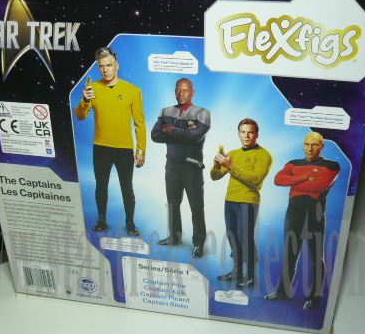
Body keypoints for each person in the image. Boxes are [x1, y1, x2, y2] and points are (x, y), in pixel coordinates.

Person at [264, 132, 340, 310]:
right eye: (306, 144)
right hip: (294, 212)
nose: (309, 148)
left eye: (314, 145)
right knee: (289, 254)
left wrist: (293, 181)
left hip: (315, 213)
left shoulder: (331, 165)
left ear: (322, 146)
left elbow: (319, 185)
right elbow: (278, 180)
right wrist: (305, 178)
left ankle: (315, 298)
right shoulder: (293, 162)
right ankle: (282, 292)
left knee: (316, 257)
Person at [75, 47, 146, 236]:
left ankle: (130, 223)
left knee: (127, 188)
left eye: (109, 65)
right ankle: (101, 220)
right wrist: (85, 99)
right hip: (101, 147)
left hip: (124, 149)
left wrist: (141, 150)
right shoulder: (93, 88)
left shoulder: (133, 91)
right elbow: (80, 116)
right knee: (101, 187)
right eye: (101, 66)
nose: (105, 70)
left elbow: (140, 123)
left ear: (117, 65)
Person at [151, 78, 210, 258]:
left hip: (192, 166)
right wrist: (183, 132)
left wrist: (168, 129)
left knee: (196, 207)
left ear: (193, 92)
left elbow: (194, 137)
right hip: (172, 165)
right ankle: (174, 237)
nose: (181, 93)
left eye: (185, 90)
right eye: (178, 90)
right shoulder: (166, 111)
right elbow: (155, 135)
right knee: (172, 203)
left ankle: (199, 243)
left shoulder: (202, 113)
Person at [211, 119, 272, 288]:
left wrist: (231, 167)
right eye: (243, 132)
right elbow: (215, 177)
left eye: (250, 132)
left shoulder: (264, 155)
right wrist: (217, 166)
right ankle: (237, 272)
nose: (246, 135)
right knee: (232, 236)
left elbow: (256, 179)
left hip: (248, 201)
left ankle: (251, 276)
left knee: (245, 238)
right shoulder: (233, 153)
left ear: (256, 134)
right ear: (239, 133)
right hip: (230, 200)